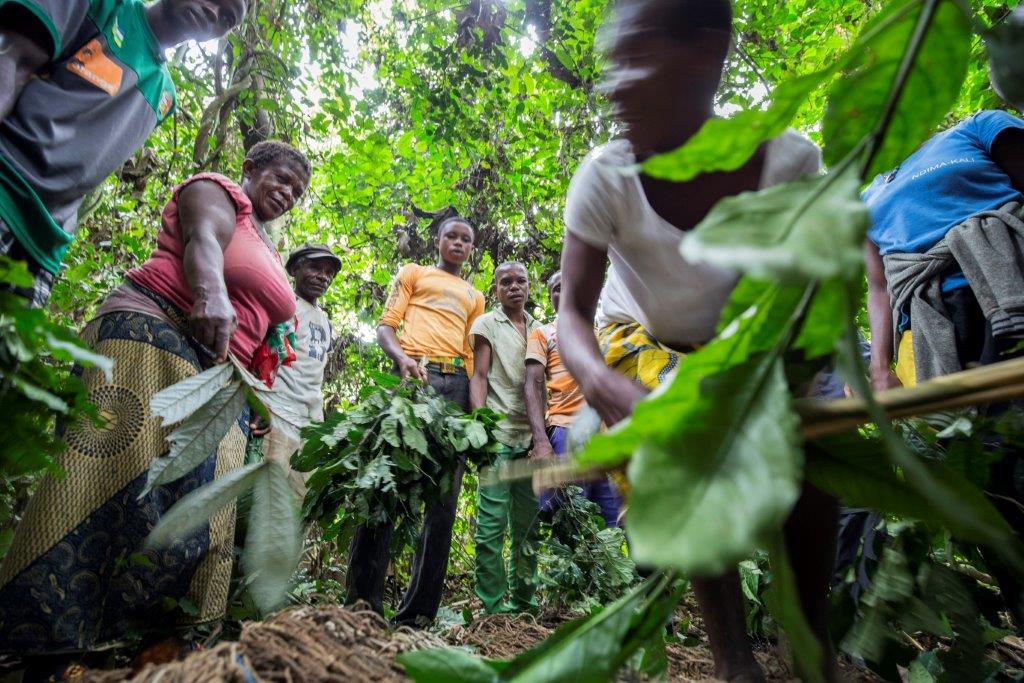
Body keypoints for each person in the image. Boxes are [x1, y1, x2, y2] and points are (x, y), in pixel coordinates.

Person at [556, 0, 832, 680]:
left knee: (811, 474)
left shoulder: (790, 163)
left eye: (638, 55)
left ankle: (810, 646)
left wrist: (771, 382)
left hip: (770, 356)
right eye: (612, 64)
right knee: (685, 459)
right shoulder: (606, 176)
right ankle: (736, 663)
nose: (615, 83)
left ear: (707, 52)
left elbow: (819, 299)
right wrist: (600, 381)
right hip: (661, 350)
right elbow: (572, 315)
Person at [0, 140, 310, 671]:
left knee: (198, 511)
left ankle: (155, 649)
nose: (287, 193)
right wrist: (209, 291)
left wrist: (261, 398)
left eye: (297, 191)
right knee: (108, 475)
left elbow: (266, 333)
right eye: (280, 179)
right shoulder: (219, 193)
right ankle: (46, 644)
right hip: (154, 333)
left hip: (222, 379)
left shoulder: (270, 250)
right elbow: (203, 242)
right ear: (251, 170)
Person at [863, 109, 1024, 624]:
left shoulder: (976, 127)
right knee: (982, 468)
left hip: (1010, 286)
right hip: (936, 328)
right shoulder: (867, 195)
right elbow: (879, 286)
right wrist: (880, 367)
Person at [0, 0, 246, 306]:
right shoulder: (103, 7)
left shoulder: (164, 94)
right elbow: (12, 58)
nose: (213, 12)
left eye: (227, 17)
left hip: (43, 242)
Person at [346, 216, 485, 626]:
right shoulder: (414, 273)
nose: (459, 243)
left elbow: (472, 357)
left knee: (443, 499)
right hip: (413, 377)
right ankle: (362, 606)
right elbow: (386, 327)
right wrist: (401, 358)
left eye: (466, 239)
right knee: (385, 485)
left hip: (456, 384)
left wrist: (476, 413)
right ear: (438, 241)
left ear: (471, 249)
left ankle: (419, 613)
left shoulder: (475, 296)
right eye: (452, 236)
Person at [469, 261, 543, 614]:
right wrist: (480, 426)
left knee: (528, 530)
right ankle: (492, 606)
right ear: (495, 289)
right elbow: (479, 376)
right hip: (497, 436)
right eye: (506, 282)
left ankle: (525, 603)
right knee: (490, 528)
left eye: (521, 281)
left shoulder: (540, 330)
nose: (514, 287)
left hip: (531, 440)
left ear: (530, 287)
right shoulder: (486, 324)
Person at [525, 270, 621, 527]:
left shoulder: (606, 333)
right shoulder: (543, 333)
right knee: (569, 523)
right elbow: (533, 385)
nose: (564, 291)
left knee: (610, 524)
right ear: (550, 297)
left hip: (605, 437)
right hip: (565, 432)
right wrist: (541, 442)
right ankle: (565, 570)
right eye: (557, 288)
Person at [247, 243, 340, 491]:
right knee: (265, 497)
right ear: (295, 268)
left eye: (329, 272)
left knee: (296, 503)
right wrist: (259, 401)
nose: (323, 276)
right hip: (279, 413)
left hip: (310, 425)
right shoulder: (284, 305)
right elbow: (262, 354)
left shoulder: (326, 321)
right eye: (316, 268)